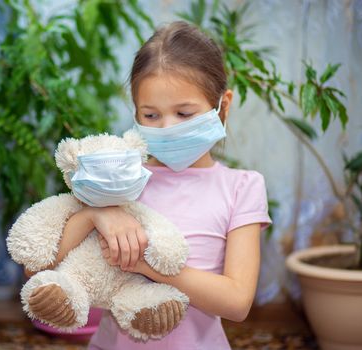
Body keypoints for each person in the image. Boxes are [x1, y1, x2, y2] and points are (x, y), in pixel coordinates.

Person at [27, 20, 272, 349]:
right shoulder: (118, 177)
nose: (167, 127)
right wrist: (96, 216)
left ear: (222, 106)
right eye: (151, 115)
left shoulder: (242, 187)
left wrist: (147, 264)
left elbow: (237, 301)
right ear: (135, 112)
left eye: (184, 113)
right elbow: (36, 272)